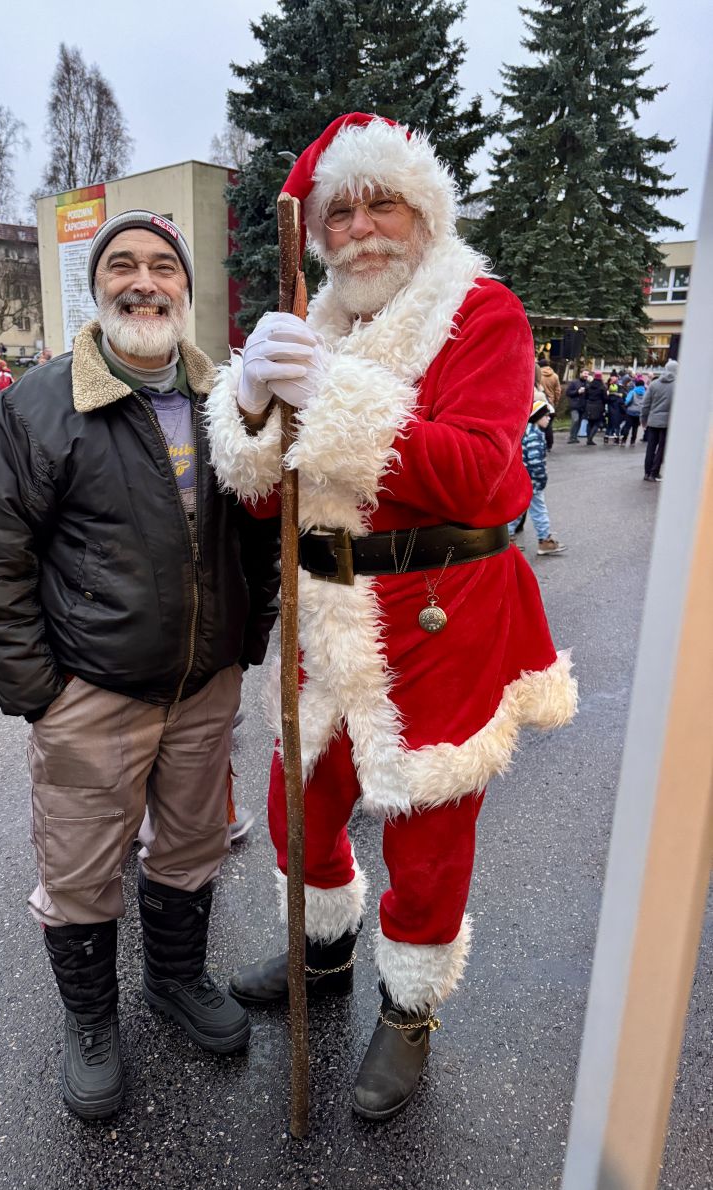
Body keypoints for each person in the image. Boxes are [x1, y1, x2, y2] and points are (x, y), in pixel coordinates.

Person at [206, 113, 577, 1122]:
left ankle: (409, 1009)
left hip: (441, 610)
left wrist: (333, 395)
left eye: (384, 204)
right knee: (297, 807)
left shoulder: (483, 313)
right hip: (327, 614)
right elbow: (264, 501)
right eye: (341, 212)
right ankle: (324, 952)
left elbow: (479, 474)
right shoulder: (313, 321)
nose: (363, 229)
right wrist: (252, 402)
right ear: (316, 233)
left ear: (425, 211)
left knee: (426, 834)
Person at [0, 209, 281, 1121]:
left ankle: (174, 979)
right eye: (123, 265)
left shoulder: (230, 402)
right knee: (81, 868)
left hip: (204, 689)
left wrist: (244, 645)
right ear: (96, 288)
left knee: (193, 846)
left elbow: (260, 538)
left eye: (163, 267)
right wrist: (44, 697)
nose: (144, 282)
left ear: (186, 289)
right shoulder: (39, 406)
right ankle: (92, 1020)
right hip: (90, 694)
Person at [510, 392, 565, 555]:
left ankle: (507, 538)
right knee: (539, 510)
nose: (548, 419)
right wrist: (541, 480)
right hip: (532, 481)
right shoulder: (535, 435)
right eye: (546, 416)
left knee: (518, 510)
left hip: (523, 480)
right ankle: (545, 541)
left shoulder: (528, 431)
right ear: (537, 417)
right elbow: (535, 462)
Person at [642, 359, 677, 482]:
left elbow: (645, 404)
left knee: (650, 447)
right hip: (668, 422)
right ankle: (654, 473)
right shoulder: (679, 385)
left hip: (653, 421)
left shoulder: (654, 384)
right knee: (662, 448)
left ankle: (647, 473)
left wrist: (643, 420)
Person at [537, 356, 560, 451]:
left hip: (538, 401)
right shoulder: (555, 376)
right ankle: (549, 445)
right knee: (548, 425)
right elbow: (558, 391)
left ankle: (539, 443)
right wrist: (555, 401)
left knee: (538, 424)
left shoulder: (537, 374)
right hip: (550, 402)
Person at [565, 370, 589, 442]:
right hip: (575, 405)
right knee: (575, 420)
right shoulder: (574, 382)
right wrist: (577, 392)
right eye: (585, 373)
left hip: (583, 406)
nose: (586, 375)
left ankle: (575, 437)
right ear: (580, 373)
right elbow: (568, 392)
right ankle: (571, 437)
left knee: (579, 422)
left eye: (587, 374)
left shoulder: (588, 384)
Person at [620, 376, 645, 446]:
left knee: (627, 427)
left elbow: (627, 401)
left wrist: (625, 404)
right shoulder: (645, 393)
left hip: (630, 412)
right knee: (635, 428)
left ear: (636, 385)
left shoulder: (632, 392)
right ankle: (632, 441)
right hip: (639, 412)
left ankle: (624, 441)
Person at [584, 371, 607, 445]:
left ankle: (588, 438)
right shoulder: (602, 387)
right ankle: (590, 439)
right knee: (597, 423)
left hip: (589, 405)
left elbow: (585, 396)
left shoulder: (589, 385)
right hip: (598, 406)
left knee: (589, 422)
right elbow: (605, 399)